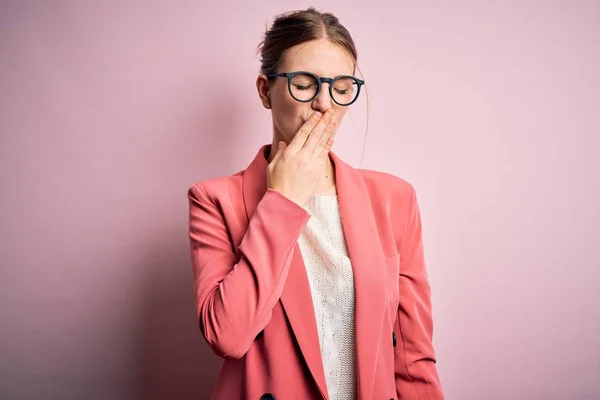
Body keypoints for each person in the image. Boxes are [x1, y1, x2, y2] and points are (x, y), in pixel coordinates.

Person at [187, 7, 444, 400]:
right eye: (305, 84)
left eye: (341, 88)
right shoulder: (214, 200)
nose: (325, 104)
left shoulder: (395, 199)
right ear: (265, 91)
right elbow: (228, 335)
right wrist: (283, 200)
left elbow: (413, 359)